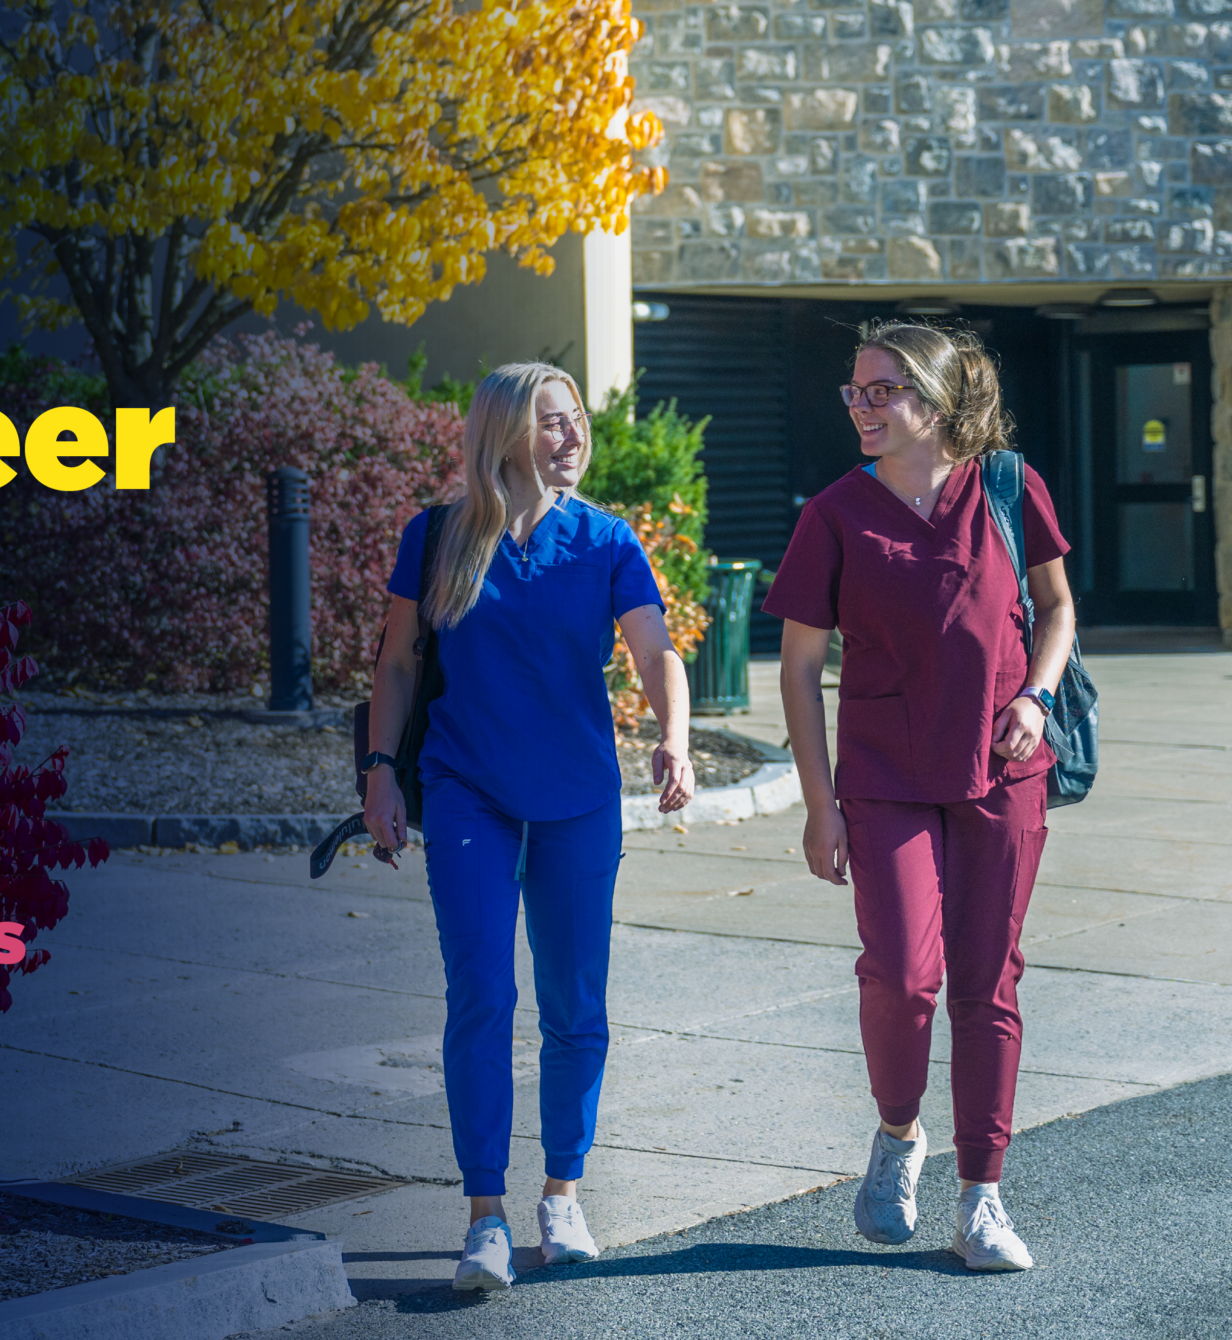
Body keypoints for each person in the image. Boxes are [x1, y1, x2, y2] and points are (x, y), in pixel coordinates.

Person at [361, 361, 696, 1292]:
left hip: (578, 801)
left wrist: (673, 739)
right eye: (553, 421)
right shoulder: (435, 538)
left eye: (577, 419)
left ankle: (561, 1194)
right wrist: (379, 772)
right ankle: (484, 1216)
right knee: (481, 996)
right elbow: (396, 666)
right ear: (504, 431)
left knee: (575, 1007)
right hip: (468, 789)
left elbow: (655, 651)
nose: (572, 435)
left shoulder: (605, 541)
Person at [764, 321, 1075, 1273]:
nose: (861, 406)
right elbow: (800, 668)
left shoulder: (1010, 488)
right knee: (900, 977)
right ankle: (899, 1135)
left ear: (936, 404)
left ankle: (982, 1198)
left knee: (989, 983)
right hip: (887, 776)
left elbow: (1056, 608)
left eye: (881, 390)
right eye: (854, 391)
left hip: (1000, 771)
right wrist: (820, 805)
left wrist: (1037, 694)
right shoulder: (833, 515)